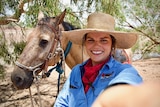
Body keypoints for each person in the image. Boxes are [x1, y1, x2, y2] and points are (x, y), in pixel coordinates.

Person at [54, 12, 143, 107]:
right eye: (91, 40)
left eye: (104, 40)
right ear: (85, 43)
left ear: (112, 44)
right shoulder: (76, 72)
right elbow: (61, 103)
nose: (96, 46)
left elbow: (130, 87)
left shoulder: (125, 72)